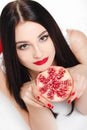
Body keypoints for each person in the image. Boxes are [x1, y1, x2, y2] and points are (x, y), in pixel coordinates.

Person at [0, 0, 87, 130]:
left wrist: (82, 71)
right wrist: (30, 100)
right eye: (23, 46)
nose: (38, 53)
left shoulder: (74, 40)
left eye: (43, 38)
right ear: (11, 50)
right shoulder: (3, 73)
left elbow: (85, 110)